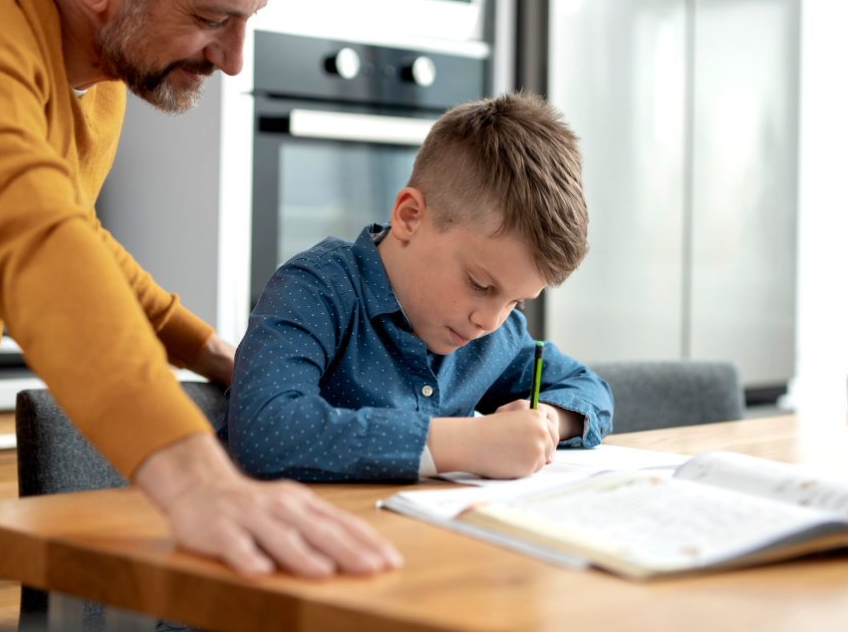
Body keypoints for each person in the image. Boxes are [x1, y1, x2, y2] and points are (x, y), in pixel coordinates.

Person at [0, 0, 401, 625]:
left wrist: (208, 348)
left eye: (248, 21)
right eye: (212, 20)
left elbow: (75, 229)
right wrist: (194, 474)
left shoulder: (101, 59)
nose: (235, 60)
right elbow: (31, 234)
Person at [218, 93, 614, 482]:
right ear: (409, 216)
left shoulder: (489, 333)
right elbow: (266, 431)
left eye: (516, 302)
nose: (490, 321)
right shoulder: (316, 289)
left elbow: (590, 390)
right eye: (479, 284)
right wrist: (466, 443)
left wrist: (548, 420)